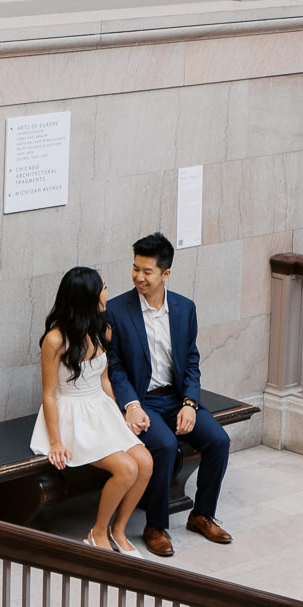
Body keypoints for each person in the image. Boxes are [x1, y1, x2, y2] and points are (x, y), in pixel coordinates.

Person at [105, 232, 233, 558]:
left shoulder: (184, 309)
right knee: (164, 445)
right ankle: (155, 526)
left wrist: (190, 402)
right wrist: (130, 405)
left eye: (147, 271)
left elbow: (191, 360)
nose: (139, 277)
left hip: (176, 397)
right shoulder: (117, 311)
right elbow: (115, 367)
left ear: (166, 274)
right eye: (135, 269)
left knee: (219, 440)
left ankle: (202, 515)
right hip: (142, 400)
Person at [32, 266, 156, 556]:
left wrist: (122, 413)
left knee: (145, 462)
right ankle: (96, 532)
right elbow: (49, 395)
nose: (107, 293)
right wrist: (55, 441)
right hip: (71, 415)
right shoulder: (55, 340)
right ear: (87, 297)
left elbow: (103, 380)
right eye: (102, 287)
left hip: (100, 408)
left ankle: (118, 530)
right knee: (126, 469)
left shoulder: (101, 328)